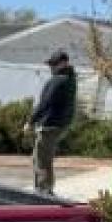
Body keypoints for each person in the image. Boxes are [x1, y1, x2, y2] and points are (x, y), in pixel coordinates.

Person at [26, 50, 77, 194]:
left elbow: (45, 103)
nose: (51, 68)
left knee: (41, 159)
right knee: (44, 158)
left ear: (63, 64)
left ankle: (44, 191)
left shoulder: (59, 80)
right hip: (60, 124)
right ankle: (45, 189)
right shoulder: (71, 79)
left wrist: (30, 121)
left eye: (53, 64)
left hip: (51, 125)